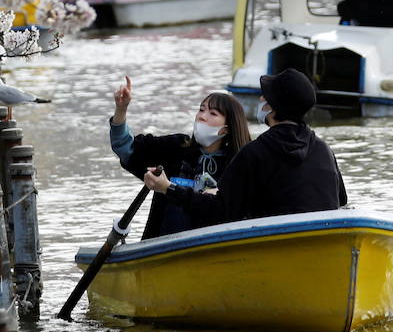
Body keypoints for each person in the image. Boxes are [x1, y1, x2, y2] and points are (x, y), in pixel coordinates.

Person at [145, 67, 347, 224]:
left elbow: (220, 211)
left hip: (273, 248)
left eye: (265, 96)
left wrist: (168, 188)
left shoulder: (254, 153)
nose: (260, 99)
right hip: (322, 241)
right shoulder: (324, 150)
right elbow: (341, 200)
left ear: (273, 107)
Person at [108, 75, 251, 239]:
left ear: (226, 129)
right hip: (164, 246)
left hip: (217, 245)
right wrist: (121, 110)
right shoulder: (176, 147)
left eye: (213, 113)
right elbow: (126, 148)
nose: (202, 116)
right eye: (201, 109)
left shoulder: (239, 163)